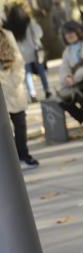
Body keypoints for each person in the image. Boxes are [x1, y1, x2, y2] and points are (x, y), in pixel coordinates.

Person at [1, 25, 38, 168]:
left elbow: (18, 59)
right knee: (4, 129)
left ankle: (23, 155)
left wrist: (17, 80)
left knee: (20, 123)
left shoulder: (6, 34)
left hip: (13, 87)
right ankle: (9, 162)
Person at [3, 3, 49, 99]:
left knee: (27, 74)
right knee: (41, 72)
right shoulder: (29, 23)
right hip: (34, 51)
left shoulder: (10, 26)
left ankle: (32, 94)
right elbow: (39, 33)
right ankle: (47, 90)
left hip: (21, 54)